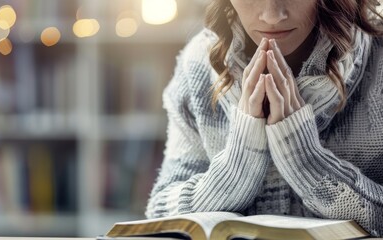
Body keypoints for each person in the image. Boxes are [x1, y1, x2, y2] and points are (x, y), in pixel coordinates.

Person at [145, 0, 383, 237]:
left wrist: (306, 161)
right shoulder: (199, 62)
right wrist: (237, 167)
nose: (272, 15)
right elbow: (160, 213)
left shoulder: (378, 59)